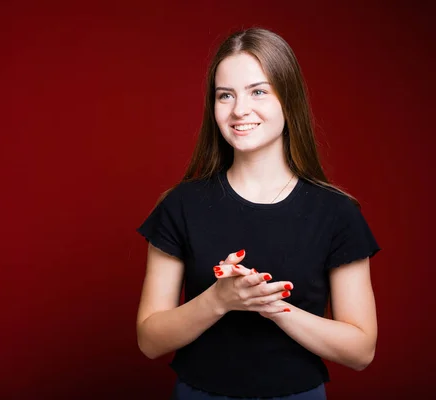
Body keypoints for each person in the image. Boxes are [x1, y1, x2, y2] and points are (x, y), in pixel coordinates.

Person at [135, 27, 380, 400]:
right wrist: (219, 300)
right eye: (225, 95)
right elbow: (150, 340)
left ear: (289, 99)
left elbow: (361, 351)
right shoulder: (181, 205)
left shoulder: (336, 213)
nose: (239, 110)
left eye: (258, 91)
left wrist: (270, 305)